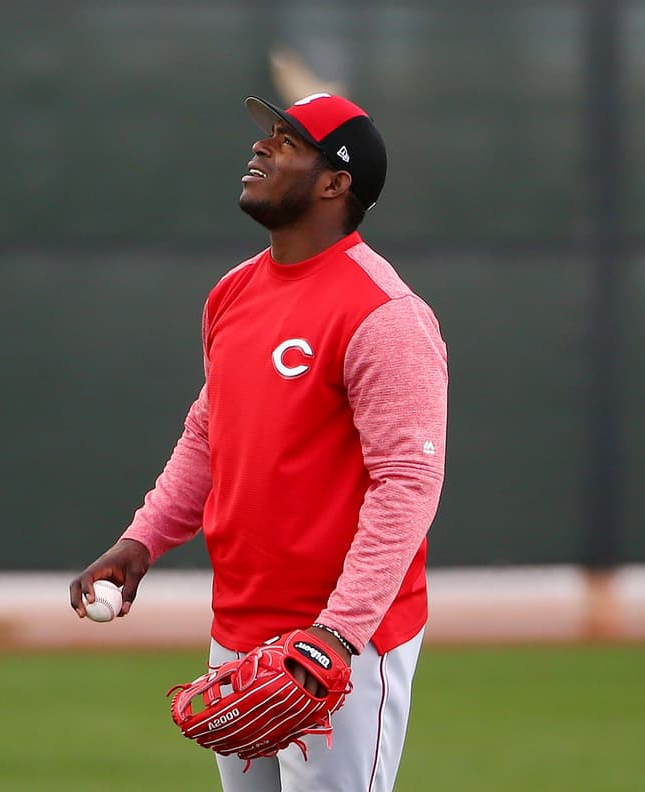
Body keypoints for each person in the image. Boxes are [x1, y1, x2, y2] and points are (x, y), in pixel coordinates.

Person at [68, 92, 448, 792]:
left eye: (289, 141)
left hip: (341, 643)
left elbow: (408, 485)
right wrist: (142, 539)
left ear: (335, 183)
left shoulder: (386, 314)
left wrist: (339, 633)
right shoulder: (233, 292)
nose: (261, 147)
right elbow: (208, 434)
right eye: (269, 134)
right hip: (241, 623)